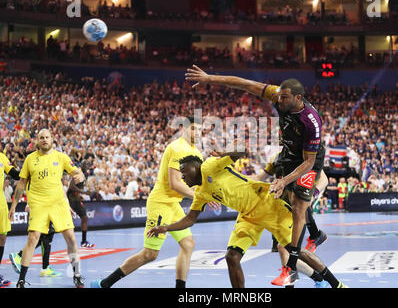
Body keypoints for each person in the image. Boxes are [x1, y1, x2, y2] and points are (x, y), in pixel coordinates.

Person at [185, 65, 328, 286]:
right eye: (278, 96)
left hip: (307, 161)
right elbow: (243, 83)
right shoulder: (279, 97)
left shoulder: (311, 122)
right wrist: (209, 78)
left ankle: (302, 256)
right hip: (288, 158)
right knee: (283, 239)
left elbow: (309, 162)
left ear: (298, 98)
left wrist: (283, 181)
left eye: (285, 98)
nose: (278, 101)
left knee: (298, 208)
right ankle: (305, 268)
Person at [148, 154, 347, 288]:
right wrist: (165, 227)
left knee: (296, 251)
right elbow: (190, 219)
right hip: (247, 217)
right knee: (231, 257)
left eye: (183, 172)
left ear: (195, 166)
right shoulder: (200, 193)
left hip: (267, 204)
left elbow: (239, 151)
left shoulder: (210, 165)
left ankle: (336, 284)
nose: (182, 177)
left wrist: (225, 152)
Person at [90, 118, 218, 288]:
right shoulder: (177, 148)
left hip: (173, 204)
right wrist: (200, 197)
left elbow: (195, 182)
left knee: (188, 244)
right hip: (161, 203)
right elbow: (175, 183)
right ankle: (105, 284)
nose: (197, 133)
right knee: (150, 254)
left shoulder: (196, 151)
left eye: (200, 130)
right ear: (182, 129)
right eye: (193, 129)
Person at [8, 129, 86, 288]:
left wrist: (81, 176)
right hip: (38, 203)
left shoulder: (61, 157)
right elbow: (22, 183)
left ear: (52, 139)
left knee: (70, 237)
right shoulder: (30, 159)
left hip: (58, 203)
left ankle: (77, 274)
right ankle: (21, 280)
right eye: (41, 137)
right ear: (38, 140)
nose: (44, 140)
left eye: (47, 137)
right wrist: (14, 206)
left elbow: (78, 172)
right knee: (33, 238)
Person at [0, 152, 21, 288]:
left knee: (2, 237)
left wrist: (29, 171)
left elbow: (14, 174)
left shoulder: (1, 156)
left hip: (0, 202)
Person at [66, 160, 95, 248]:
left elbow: (77, 187)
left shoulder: (84, 175)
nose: (86, 166)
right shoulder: (78, 173)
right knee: (66, 222)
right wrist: (84, 192)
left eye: (87, 165)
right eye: (85, 164)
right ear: (81, 165)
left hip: (76, 200)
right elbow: (71, 186)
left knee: (84, 218)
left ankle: (84, 241)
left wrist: (80, 195)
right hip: (70, 200)